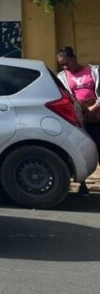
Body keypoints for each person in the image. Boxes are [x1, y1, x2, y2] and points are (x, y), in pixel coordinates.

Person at [57, 46, 100, 196]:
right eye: (62, 64)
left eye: (66, 63)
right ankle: (83, 185)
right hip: (79, 120)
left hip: (96, 116)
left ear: (74, 59)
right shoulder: (62, 76)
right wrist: (81, 109)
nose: (65, 66)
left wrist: (93, 108)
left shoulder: (93, 71)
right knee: (83, 153)